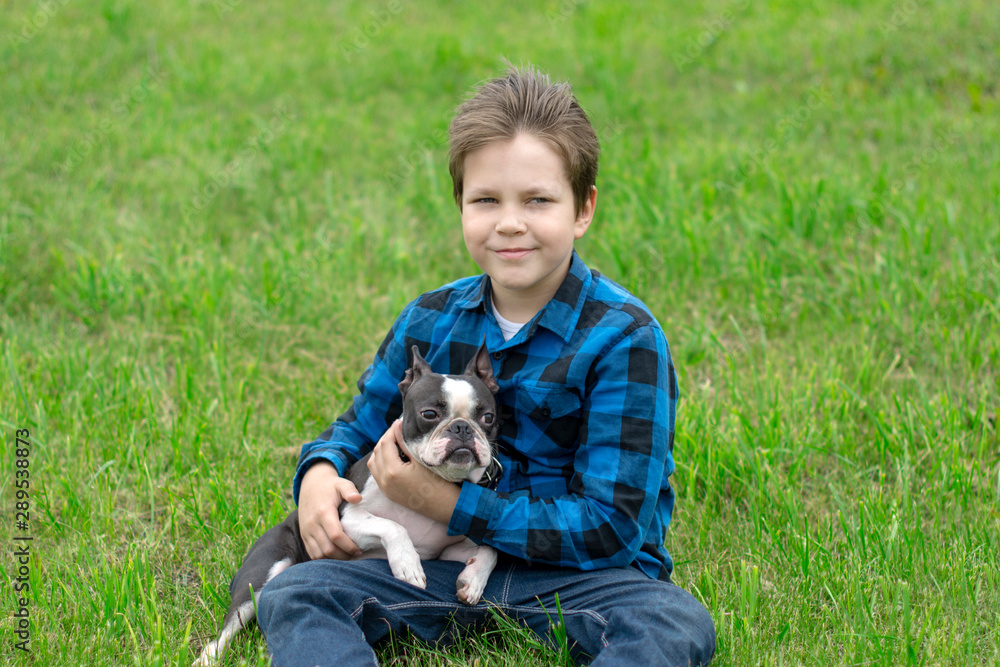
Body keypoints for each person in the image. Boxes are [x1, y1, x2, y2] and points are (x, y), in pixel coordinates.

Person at [257, 64, 716, 666]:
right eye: (487, 200)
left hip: (570, 579)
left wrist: (452, 507)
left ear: (583, 208)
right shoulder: (430, 318)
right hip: (423, 568)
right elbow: (355, 428)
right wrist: (317, 474)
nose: (510, 222)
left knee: (672, 619)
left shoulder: (624, 338)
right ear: (461, 206)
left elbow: (612, 524)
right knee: (294, 592)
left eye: (538, 200)